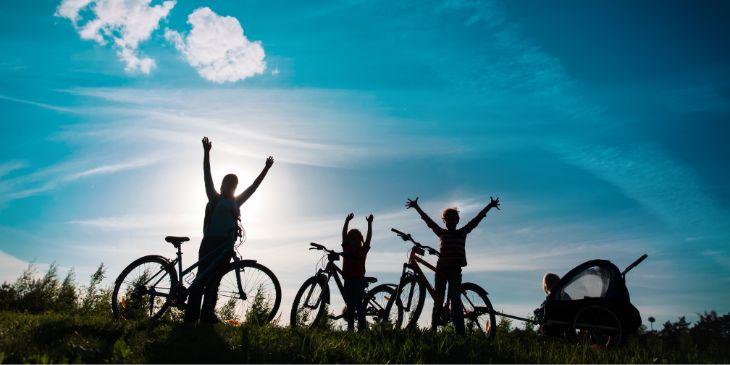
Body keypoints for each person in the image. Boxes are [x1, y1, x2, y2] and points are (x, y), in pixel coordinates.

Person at [184, 136, 274, 324]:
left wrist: (265, 169)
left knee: (215, 281)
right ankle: (190, 317)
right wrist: (207, 153)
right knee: (201, 280)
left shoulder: (236, 201)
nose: (232, 186)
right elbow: (206, 175)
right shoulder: (214, 198)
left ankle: (207, 316)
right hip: (211, 243)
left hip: (226, 245)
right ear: (222, 185)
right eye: (229, 183)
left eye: (234, 184)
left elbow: (253, 188)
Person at [405, 196, 500, 335]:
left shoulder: (462, 232)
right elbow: (429, 222)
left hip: (455, 270)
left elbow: (476, 220)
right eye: (448, 219)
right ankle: (433, 330)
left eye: (453, 219)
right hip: (441, 269)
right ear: (444, 221)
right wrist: (416, 207)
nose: (450, 221)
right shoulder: (441, 233)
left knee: (455, 300)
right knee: (438, 299)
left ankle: (460, 334)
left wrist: (489, 206)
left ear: (457, 220)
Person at [341, 212, 373, 332]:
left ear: (360, 240)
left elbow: (369, 238)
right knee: (350, 305)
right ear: (348, 240)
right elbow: (343, 234)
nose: (354, 241)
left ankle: (362, 328)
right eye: (352, 238)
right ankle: (350, 328)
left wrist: (369, 224)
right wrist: (347, 221)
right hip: (348, 280)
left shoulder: (362, 250)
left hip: (359, 280)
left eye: (357, 238)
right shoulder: (346, 248)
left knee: (359, 305)